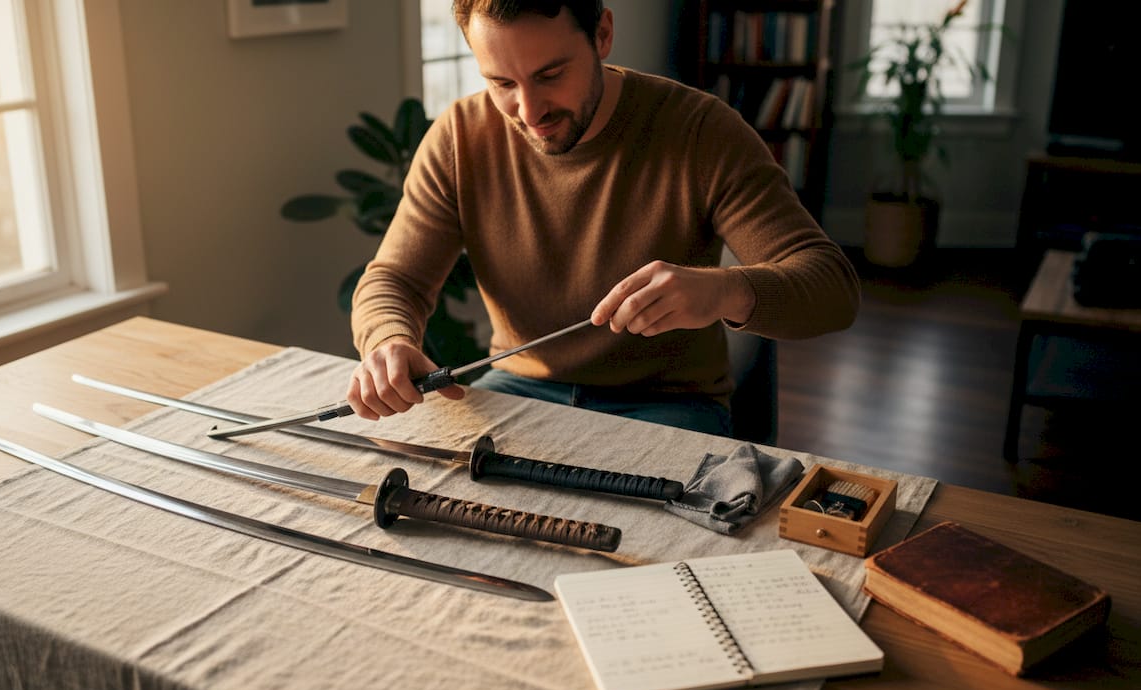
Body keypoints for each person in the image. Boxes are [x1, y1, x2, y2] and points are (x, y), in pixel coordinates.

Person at [345, 0, 859, 437]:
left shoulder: (702, 131)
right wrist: (389, 340)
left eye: (550, 75)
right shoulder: (460, 137)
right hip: (518, 388)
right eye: (501, 82)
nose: (528, 111)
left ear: (603, 34)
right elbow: (394, 279)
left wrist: (723, 290)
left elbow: (833, 289)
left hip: (669, 406)